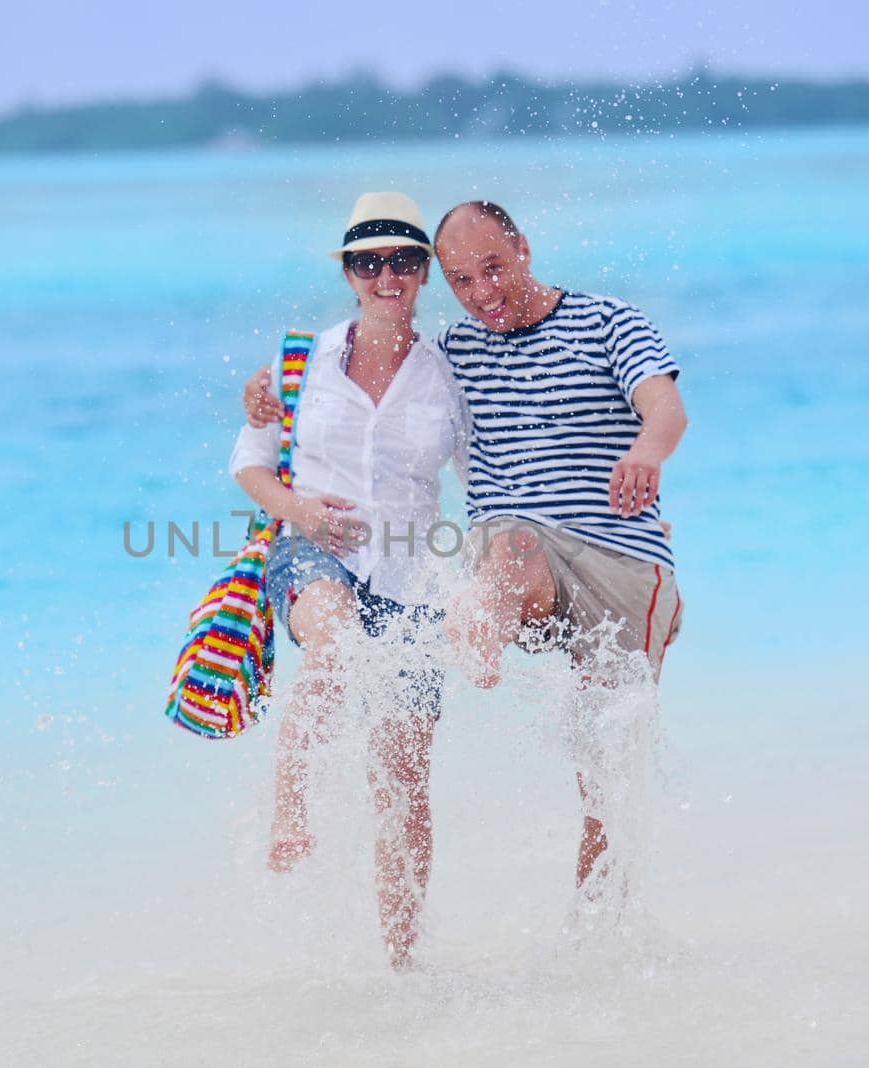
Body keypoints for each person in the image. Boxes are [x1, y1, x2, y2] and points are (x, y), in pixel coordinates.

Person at [245, 200, 686, 905]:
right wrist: (267, 401)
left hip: (618, 562)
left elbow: (665, 407)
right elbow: (349, 375)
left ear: (525, 249)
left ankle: (594, 950)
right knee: (508, 542)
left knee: (606, 782)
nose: (482, 295)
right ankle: (479, 627)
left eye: (494, 269)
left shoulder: (603, 322)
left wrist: (646, 452)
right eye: (463, 280)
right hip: (509, 556)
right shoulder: (449, 350)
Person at [229, 191, 466, 969]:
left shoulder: (450, 375)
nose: (385, 276)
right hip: (313, 550)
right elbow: (249, 466)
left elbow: (492, 482)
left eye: (402, 260)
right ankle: (291, 814)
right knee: (329, 643)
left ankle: (404, 961)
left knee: (403, 779)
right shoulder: (300, 361)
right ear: (350, 274)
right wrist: (299, 508)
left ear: (425, 272)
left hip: (412, 579)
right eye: (368, 262)